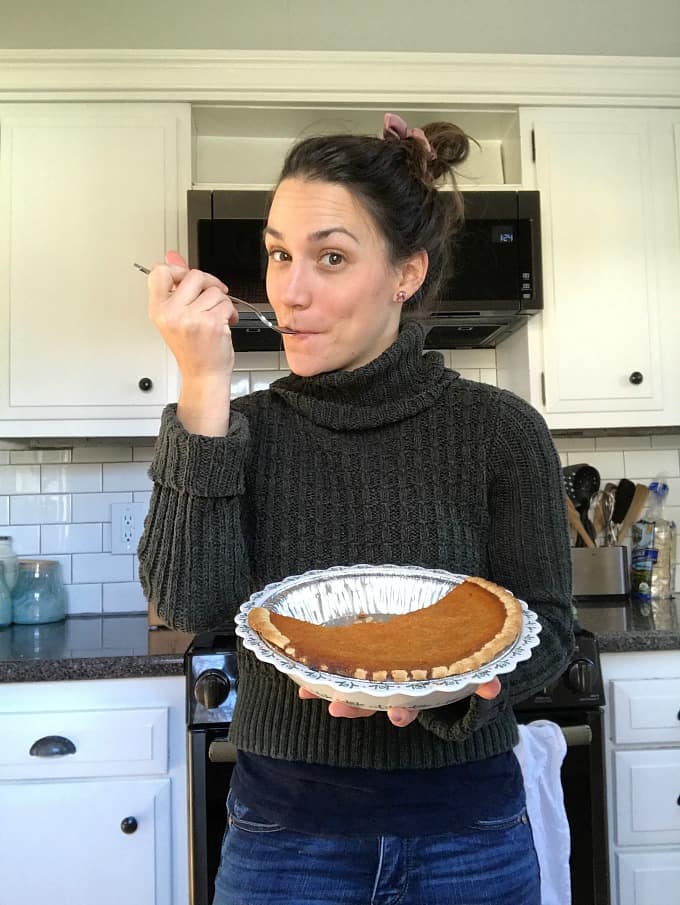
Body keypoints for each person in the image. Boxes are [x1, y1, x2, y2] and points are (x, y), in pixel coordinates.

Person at [138, 112, 574, 905]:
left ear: (406, 273)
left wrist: (451, 692)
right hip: (285, 839)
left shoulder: (499, 430)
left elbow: (546, 623)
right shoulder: (245, 427)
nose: (289, 290)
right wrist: (201, 384)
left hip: (470, 834)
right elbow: (187, 601)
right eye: (278, 254)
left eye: (330, 257)